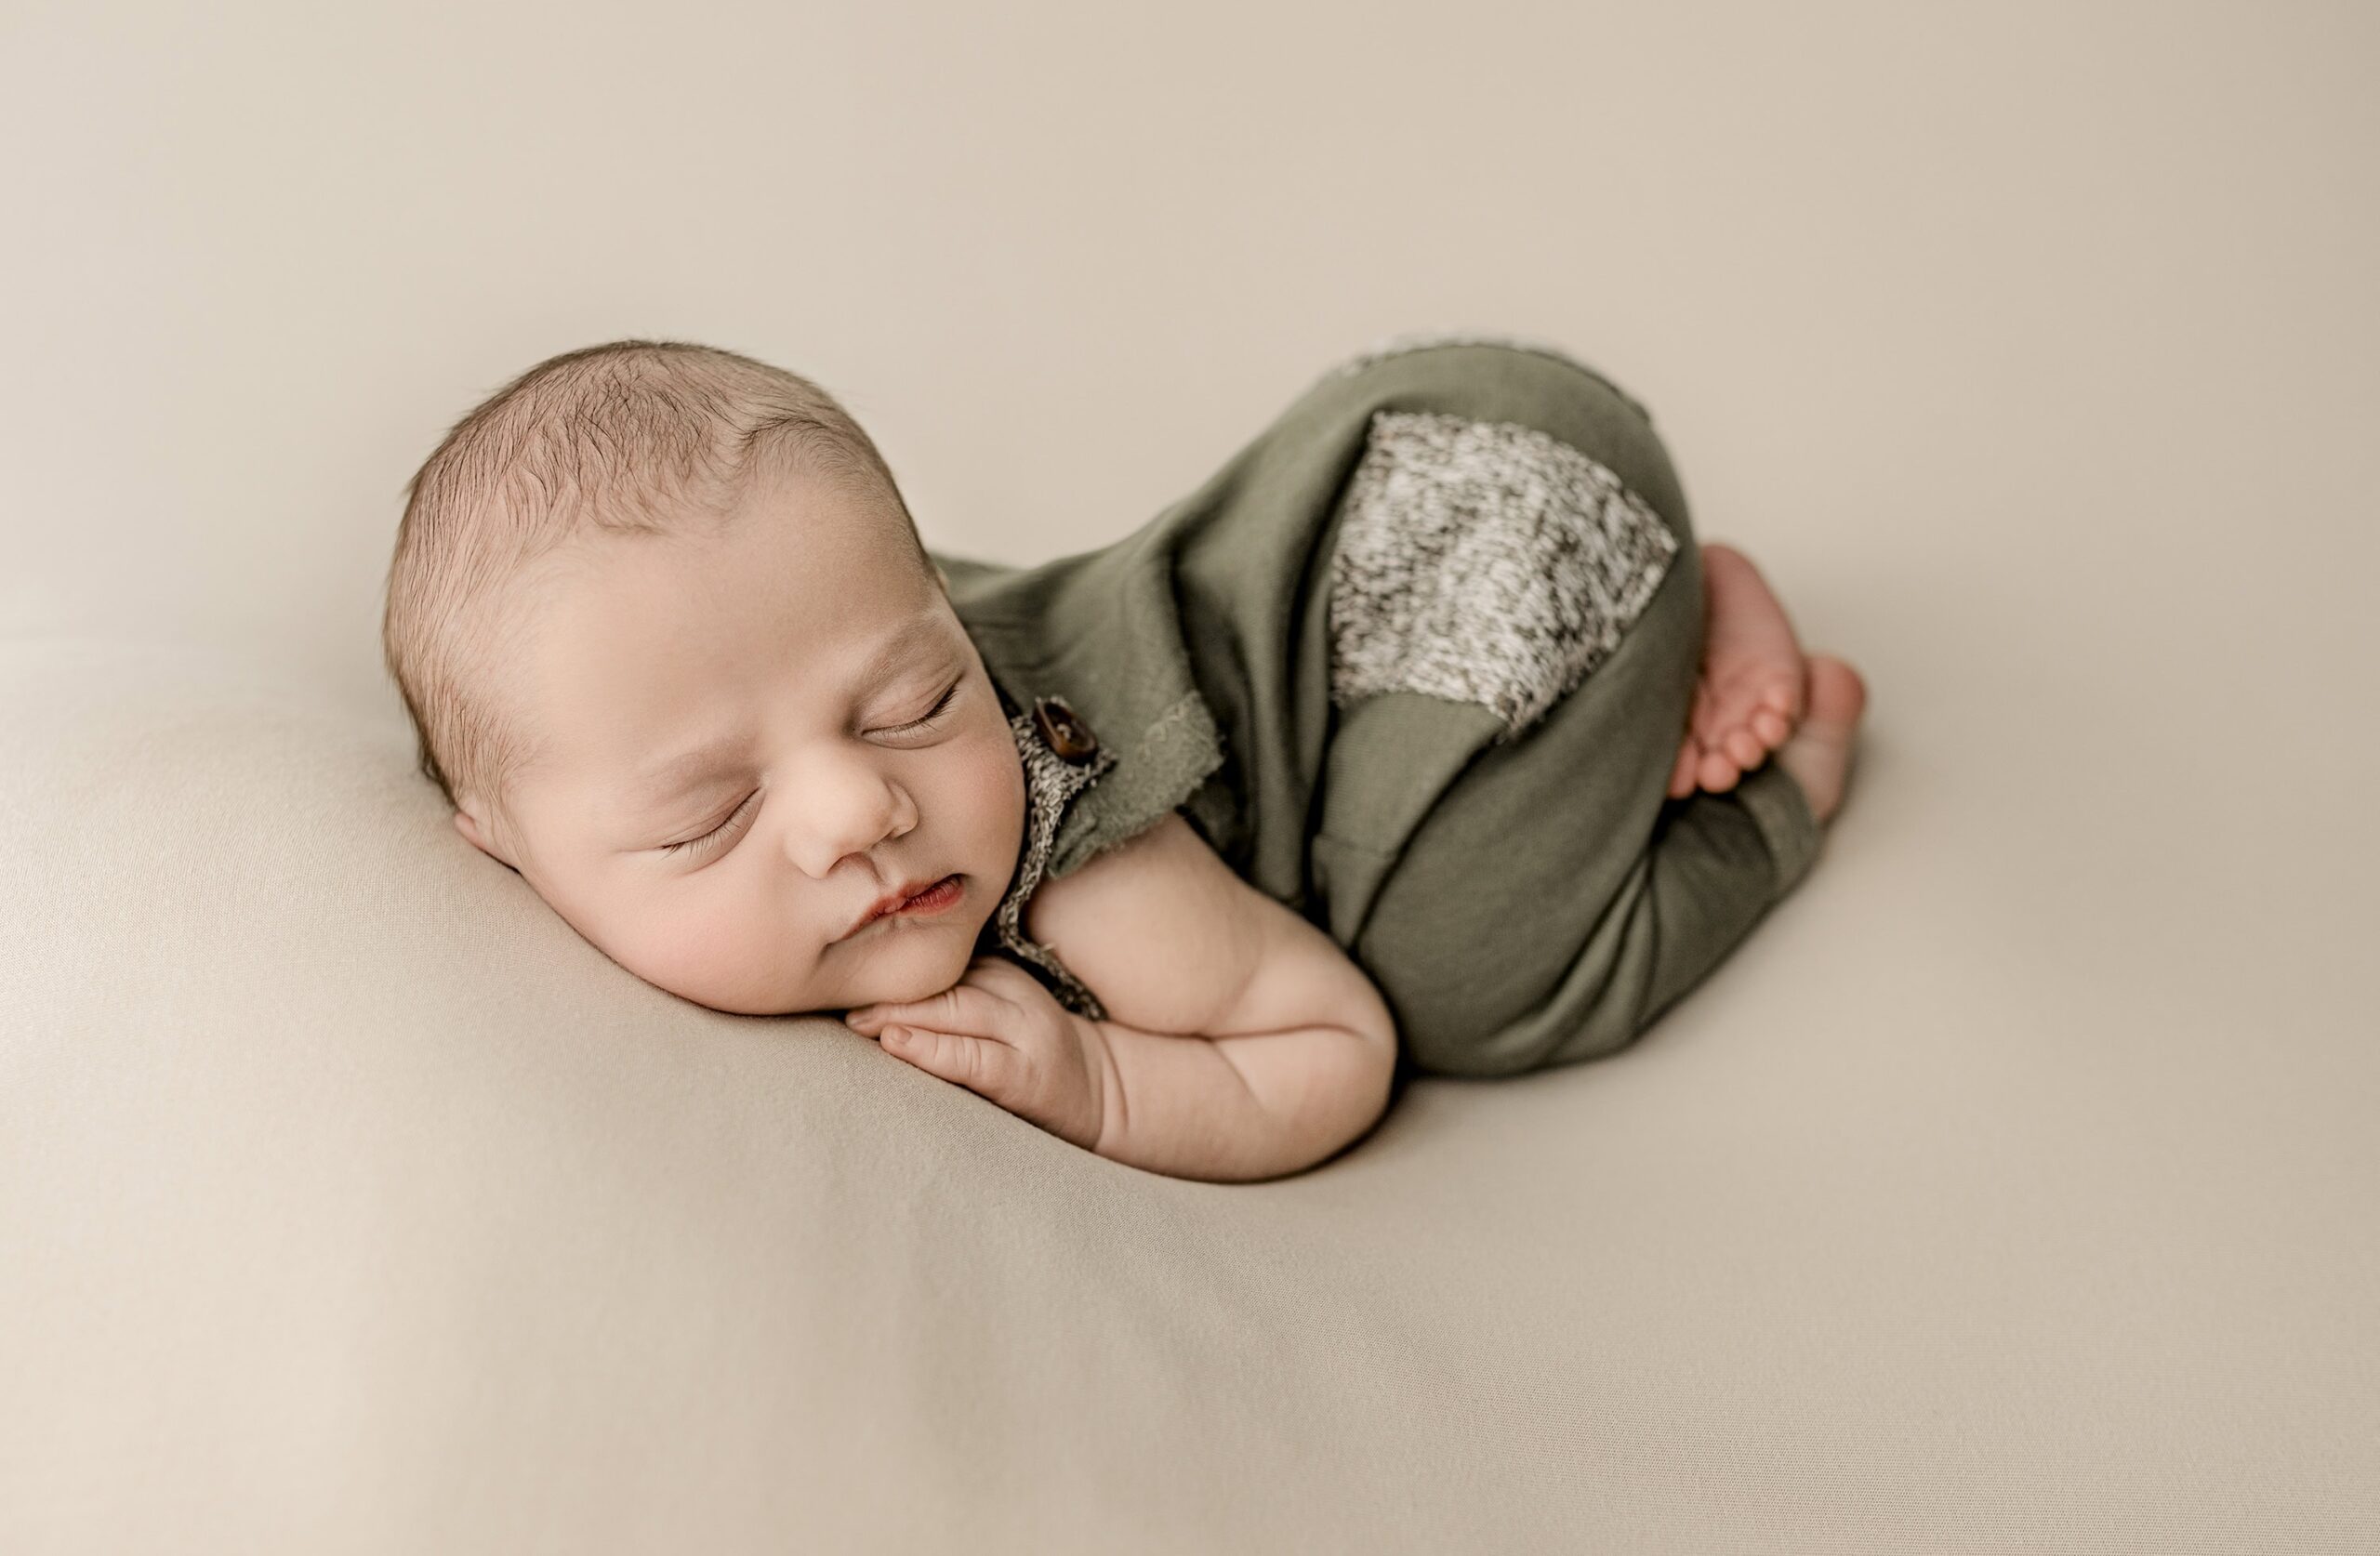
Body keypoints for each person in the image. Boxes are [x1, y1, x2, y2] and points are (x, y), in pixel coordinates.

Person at [381, 333, 1867, 1184]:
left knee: (1471, 991)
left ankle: (1769, 745)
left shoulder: (1070, 850)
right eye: (711, 812)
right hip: (1399, 478)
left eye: (912, 701)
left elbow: (1336, 1045)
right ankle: (1661, 627)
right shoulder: (738, 658)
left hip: (1487, 545)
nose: (861, 806)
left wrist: (1098, 1079)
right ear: (497, 842)